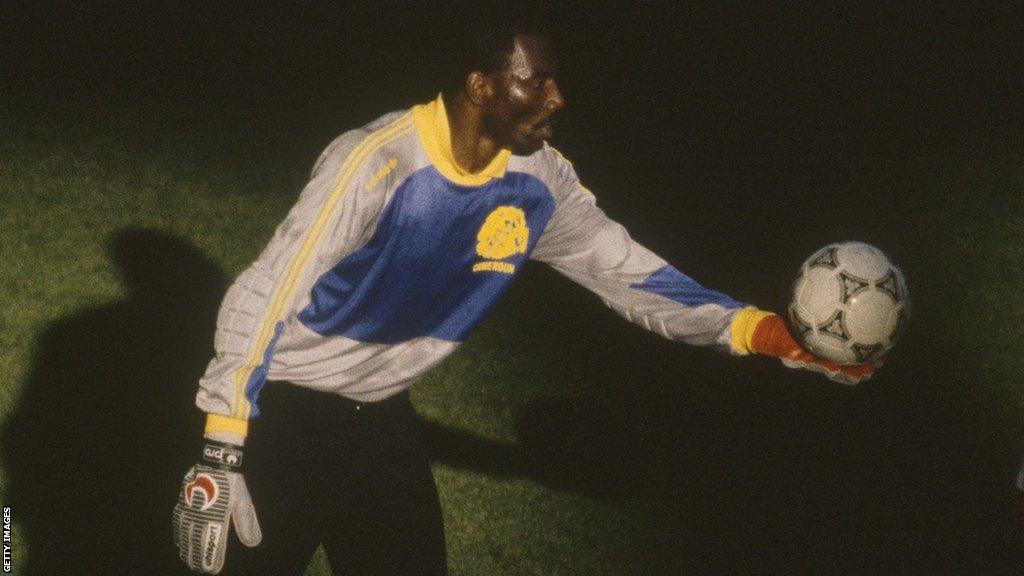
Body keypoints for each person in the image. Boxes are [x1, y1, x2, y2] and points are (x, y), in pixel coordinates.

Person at [172, 23, 877, 576]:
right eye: (535, 84)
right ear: (481, 86)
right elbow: (269, 287)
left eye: (556, 82)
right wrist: (223, 445)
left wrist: (756, 331)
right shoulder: (377, 163)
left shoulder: (541, 183)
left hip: (379, 424)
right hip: (282, 417)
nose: (557, 99)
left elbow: (626, 271)